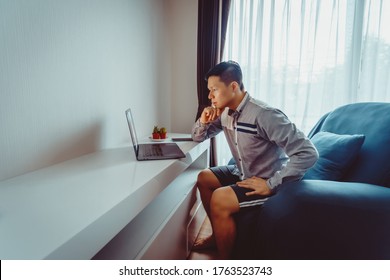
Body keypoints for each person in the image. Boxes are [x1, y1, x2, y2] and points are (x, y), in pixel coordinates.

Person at [191, 61, 318, 259]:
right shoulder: (224, 112)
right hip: (243, 172)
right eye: (209, 91)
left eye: (214, 89)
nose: (210, 96)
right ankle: (218, 235)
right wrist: (203, 121)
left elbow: (308, 152)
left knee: (220, 198)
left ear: (233, 87)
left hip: (268, 180)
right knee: (204, 177)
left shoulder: (264, 114)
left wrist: (271, 184)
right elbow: (199, 137)